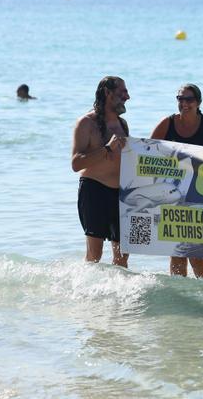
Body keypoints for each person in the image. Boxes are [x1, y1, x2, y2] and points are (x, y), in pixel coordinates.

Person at [150, 84, 203, 278]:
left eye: (189, 99)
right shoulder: (167, 123)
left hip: (199, 195)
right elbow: (147, 152)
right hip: (172, 195)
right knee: (176, 250)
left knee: (197, 251)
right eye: (180, 99)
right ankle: (179, 294)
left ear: (198, 102)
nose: (184, 103)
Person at [71, 76, 130, 267]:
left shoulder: (123, 124)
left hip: (120, 194)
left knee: (122, 256)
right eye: (122, 92)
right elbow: (76, 163)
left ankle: (120, 294)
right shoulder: (86, 123)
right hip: (94, 191)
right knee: (94, 254)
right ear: (107, 93)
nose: (127, 96)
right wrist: (107, 149)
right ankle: (88, 293)